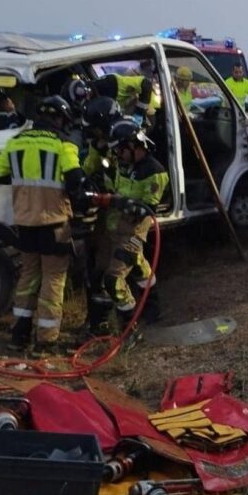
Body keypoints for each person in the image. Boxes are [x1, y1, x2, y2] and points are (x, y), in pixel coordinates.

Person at [0, 95, 87, 356]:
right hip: (54, 224)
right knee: (53, 279)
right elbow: (76, 180)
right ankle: (46, 341)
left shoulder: (16, 142)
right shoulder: (64, 144)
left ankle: (19, 336)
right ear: (59, 118)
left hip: (25, 224)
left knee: (29, 277)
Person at [92, 118, 169, 335]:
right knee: (139, 266)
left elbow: (147, 209)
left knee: (113, 279)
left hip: (134, 232)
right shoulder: (123, 164)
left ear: (134, 146)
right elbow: (113, 184)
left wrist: (114, 201)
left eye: (121, 151)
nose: (117, 156)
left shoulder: (154, 171)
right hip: (115, 228)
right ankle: (152, 309)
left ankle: (130, 327)